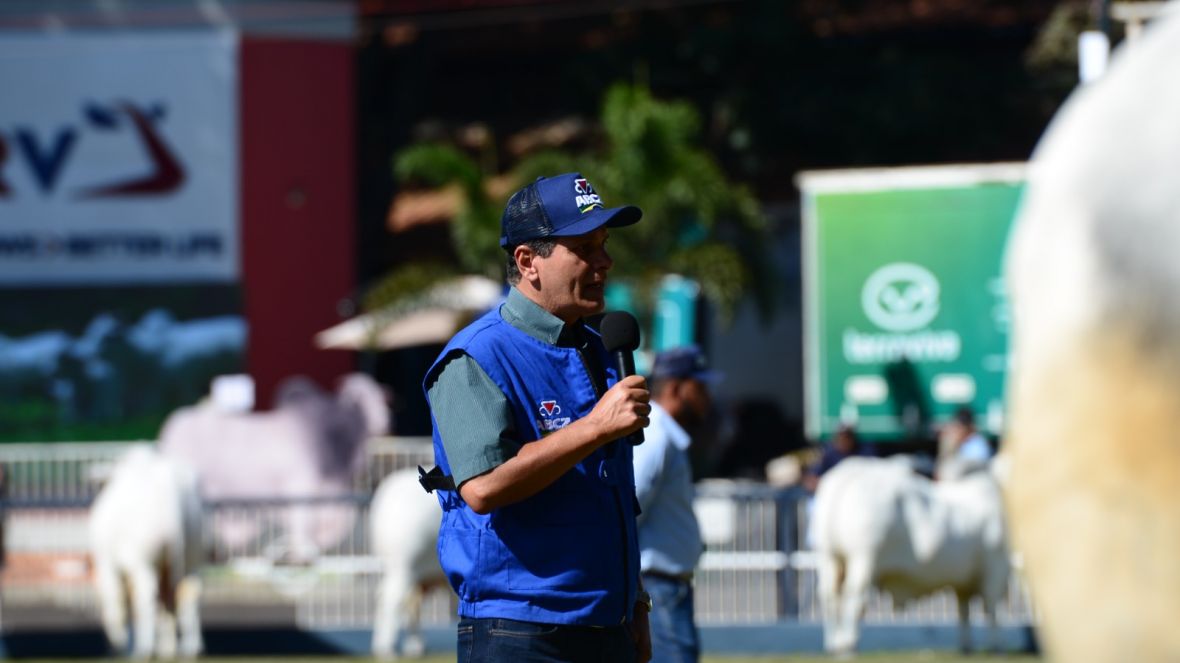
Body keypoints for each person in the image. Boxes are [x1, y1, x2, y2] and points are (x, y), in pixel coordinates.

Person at [422, 172, 653, 663]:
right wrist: (594, 427)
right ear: (528, 262)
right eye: (585, 248)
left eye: (604, 244)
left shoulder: (599, 348)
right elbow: (482, 488)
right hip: (521, 632)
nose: (604, 262)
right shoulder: (477, 355)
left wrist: (636, 598)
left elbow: (609, 490)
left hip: (607, 623)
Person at [633, 346, 718, 663]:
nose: (707, 397)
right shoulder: (656, 437)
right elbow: (632, 505)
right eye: (700, 387)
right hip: (658, 586)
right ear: (675, 388)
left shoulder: (664, 435)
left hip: (665, 586)